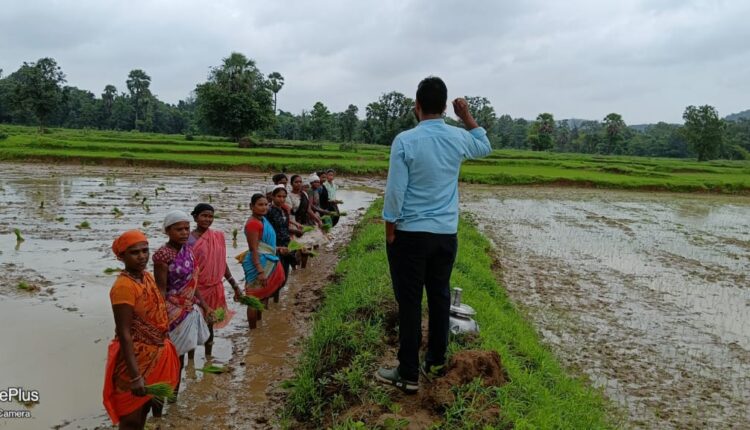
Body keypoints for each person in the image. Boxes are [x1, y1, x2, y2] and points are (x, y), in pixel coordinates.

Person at [376, 77, 492, 393]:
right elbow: (484, 146)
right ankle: (437, 362)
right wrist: (466, 116)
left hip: (410, 235)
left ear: (417, 106)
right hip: (445, 235)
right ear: (444, 107)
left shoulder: (406, 140)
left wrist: (389, 229)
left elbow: (395, 190)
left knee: (410, 302)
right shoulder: (458, 137)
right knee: (439, 296)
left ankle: (408, 372)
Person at [103, 230, 179, 429]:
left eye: (145, 251)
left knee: (143, 410)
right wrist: (136, 376)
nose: (142, 256)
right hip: (135, 360)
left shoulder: (146, 277)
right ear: (122, 256)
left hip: (155, 354)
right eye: (134, 252)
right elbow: (124, 333)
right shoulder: (123, 287)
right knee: (131, 419)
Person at [152, 210, 211, 405]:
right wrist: (160, 318)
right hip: (171, 310)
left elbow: (193, 283)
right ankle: (162, 401)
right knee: (169, 358)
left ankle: (172, 400)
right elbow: (160, 290)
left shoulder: (188, 251)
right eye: (179, 229)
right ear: (168, 231)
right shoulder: (162, 255)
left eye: (186, 228)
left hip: (187, 308)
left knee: (180, 357)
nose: (185, 233)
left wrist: (204, 306)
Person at [188, 203, 242, 357]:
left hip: (213, 289)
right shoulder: (188, 240)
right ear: (195, 217)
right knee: (192, 327)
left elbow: (221, 263)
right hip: (194, 290)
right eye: (204, 216)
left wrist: (234, 285)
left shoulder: (217, 237)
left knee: (209, 325)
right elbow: (187, 269)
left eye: (210, 216)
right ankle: (190, 363)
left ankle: (208, 358)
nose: (208, 219)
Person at [242, 193, 288, 328]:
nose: (264, 207)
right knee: (253, 297)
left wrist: (278, 248)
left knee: (262, 297)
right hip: (259, 263)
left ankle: (259, 324)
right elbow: (254, 249)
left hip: (266, 259)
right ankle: (253, 332)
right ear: (251, 206)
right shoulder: (253, 224)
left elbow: (263, 245)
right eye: (260, 205)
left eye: (266, 204)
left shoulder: (262, 220)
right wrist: (260, 270)